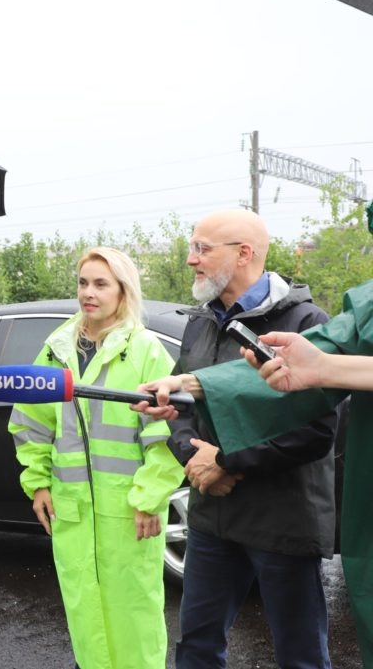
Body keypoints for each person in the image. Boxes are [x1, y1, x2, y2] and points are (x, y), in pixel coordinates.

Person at [137, 208, 338, 669]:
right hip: (212, 517)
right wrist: (193, 455)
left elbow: (317, 429)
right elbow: (183, 402)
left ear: (244, 253)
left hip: (284, 518)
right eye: (193, 246)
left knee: (301, 654)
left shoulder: (307, 322)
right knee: (197, 647)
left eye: (202, 248)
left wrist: (227, 461)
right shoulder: (201, 322)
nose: (191, 259)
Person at [8, 247, 182, 668]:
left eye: (101, 283)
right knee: (86, 620)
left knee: (135, 622)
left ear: (123, 291)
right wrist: (39, 483)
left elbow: (169, 432)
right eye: (83, 283)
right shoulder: (56, 350)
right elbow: (31, 424)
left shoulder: (146, 351)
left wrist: (150, 498)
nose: (89, 292)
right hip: (73, 515)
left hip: (128, 513)